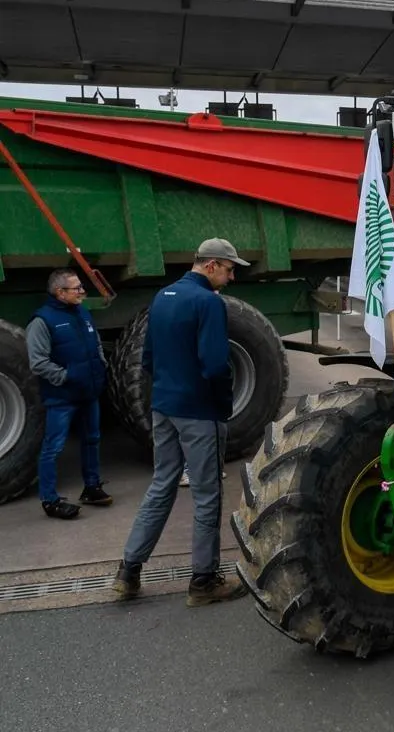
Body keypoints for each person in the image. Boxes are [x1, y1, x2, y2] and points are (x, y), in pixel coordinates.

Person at [113, 238, 249, 606]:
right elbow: (215, 364)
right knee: (207, 495)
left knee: (162, 485)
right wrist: (222, 404)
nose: (231, 277)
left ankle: (128, 571)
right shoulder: (208, 302)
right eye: (229, 269)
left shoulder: (163, 297)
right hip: (199, 412)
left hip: (164, 407)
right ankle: (203, 581)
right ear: (211, 265)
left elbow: (148, 358)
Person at [26, 268, 112, 519]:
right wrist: (66, 378)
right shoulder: (42, 321)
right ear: (60, 292)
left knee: (92, 439)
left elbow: (96, 344)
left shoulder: (82, 313)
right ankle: (50, 500)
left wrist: (100, 365)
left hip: (88, 393)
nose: (82, 291)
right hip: (61, 398)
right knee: (53, 447)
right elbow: (38, 362)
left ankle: (92, 487)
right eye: (77, 288)